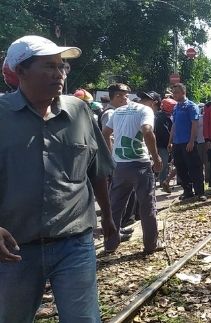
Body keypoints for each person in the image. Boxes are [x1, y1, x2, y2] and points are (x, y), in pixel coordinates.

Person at [0, 35, 116, 323]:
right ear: (21, 71)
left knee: (83, 319)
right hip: (14, 249)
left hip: (74, 243)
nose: (59, 73)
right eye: (49, 66)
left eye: (62, 66)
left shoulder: (79, 111)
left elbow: (97, 170)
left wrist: (110, 220)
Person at [102, 91, 163, 254]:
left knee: (115, 206)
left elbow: (105, 133)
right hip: (140, 165)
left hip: (119, 165)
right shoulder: (146, 111)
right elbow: (147, 131)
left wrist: (111, 155)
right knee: (147, 206)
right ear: (153, 104)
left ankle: (110, 245)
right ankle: (150, 245)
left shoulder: (118, 111)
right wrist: (156, 158)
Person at [168, 83, 206, 201]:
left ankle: (200, 192)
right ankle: (187, 191)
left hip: (187, 142)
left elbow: (194, 124)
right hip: (177, 143)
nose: (174, 95)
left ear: (183, 92)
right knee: (181, 168)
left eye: (176, 92)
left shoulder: (191, 106)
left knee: (194, 167)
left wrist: (191, 141)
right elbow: (174, 124)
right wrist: (170, 141)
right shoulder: (176, 107)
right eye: (173, 93)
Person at [155, 97, 175, 188]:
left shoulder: (165, 117)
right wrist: (170, 141)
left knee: (165, 163)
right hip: (163, 144)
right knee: (164, 163)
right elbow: (164, 132)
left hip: (164, 144)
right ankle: (162, 181)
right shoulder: (161, 118)